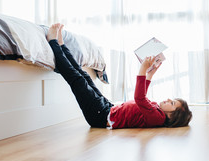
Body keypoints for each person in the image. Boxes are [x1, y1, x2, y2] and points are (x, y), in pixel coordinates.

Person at [46, 23, 192, 129]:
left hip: (100, 116)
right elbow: (144, 99)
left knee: (77, 80)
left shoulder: (157, 118)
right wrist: (150, 75)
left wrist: (142, 70)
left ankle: (53, 43)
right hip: (108, 108)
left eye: (172, 104)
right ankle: (61, 45)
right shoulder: (157, 112)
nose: (168, 99)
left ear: (172, 116)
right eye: (172, 100)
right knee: (84, 76)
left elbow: (140, 98)